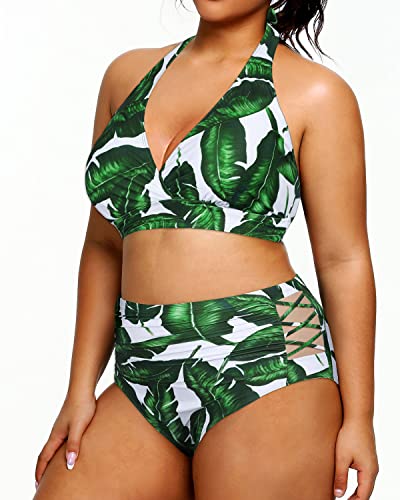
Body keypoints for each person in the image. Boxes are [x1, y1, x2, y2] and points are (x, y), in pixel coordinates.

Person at [34, 1, 379, 498]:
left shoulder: (315, 93)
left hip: (269, 353)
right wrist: (79, 389)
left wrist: (360, 417)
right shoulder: (126, 77)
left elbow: (343, 260)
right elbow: (104, 245)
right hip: (140, 365)